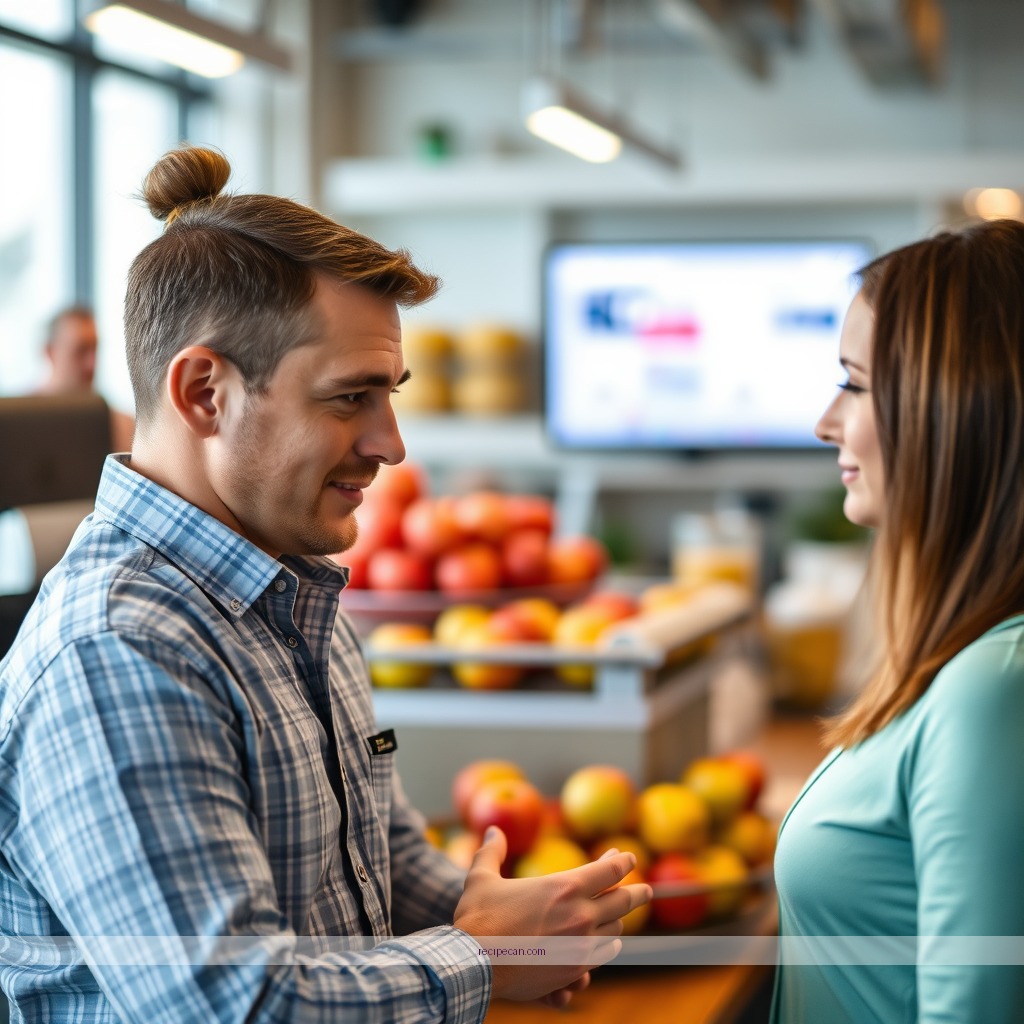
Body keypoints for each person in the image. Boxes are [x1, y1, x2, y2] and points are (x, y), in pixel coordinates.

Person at [0, 145, 650, 1023]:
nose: (392, 443)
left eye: (392, 395)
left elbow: (367, 859)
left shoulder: (294, 593)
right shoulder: (120, 650)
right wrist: (482, 956)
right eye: (352, 398)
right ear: (204, 394)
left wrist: (523, 914)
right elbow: (235, 1004)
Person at [771, 218, 1024, 1022]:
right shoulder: (971, 653)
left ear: (951, 408)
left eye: (854, 382)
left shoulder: (992, 686)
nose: (827, 421)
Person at [36, 304, 135, 452]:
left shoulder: (122, 426)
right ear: (50, 352)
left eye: (94, 348)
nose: (92, 364)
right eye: (80, 350)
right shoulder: (17, 422)